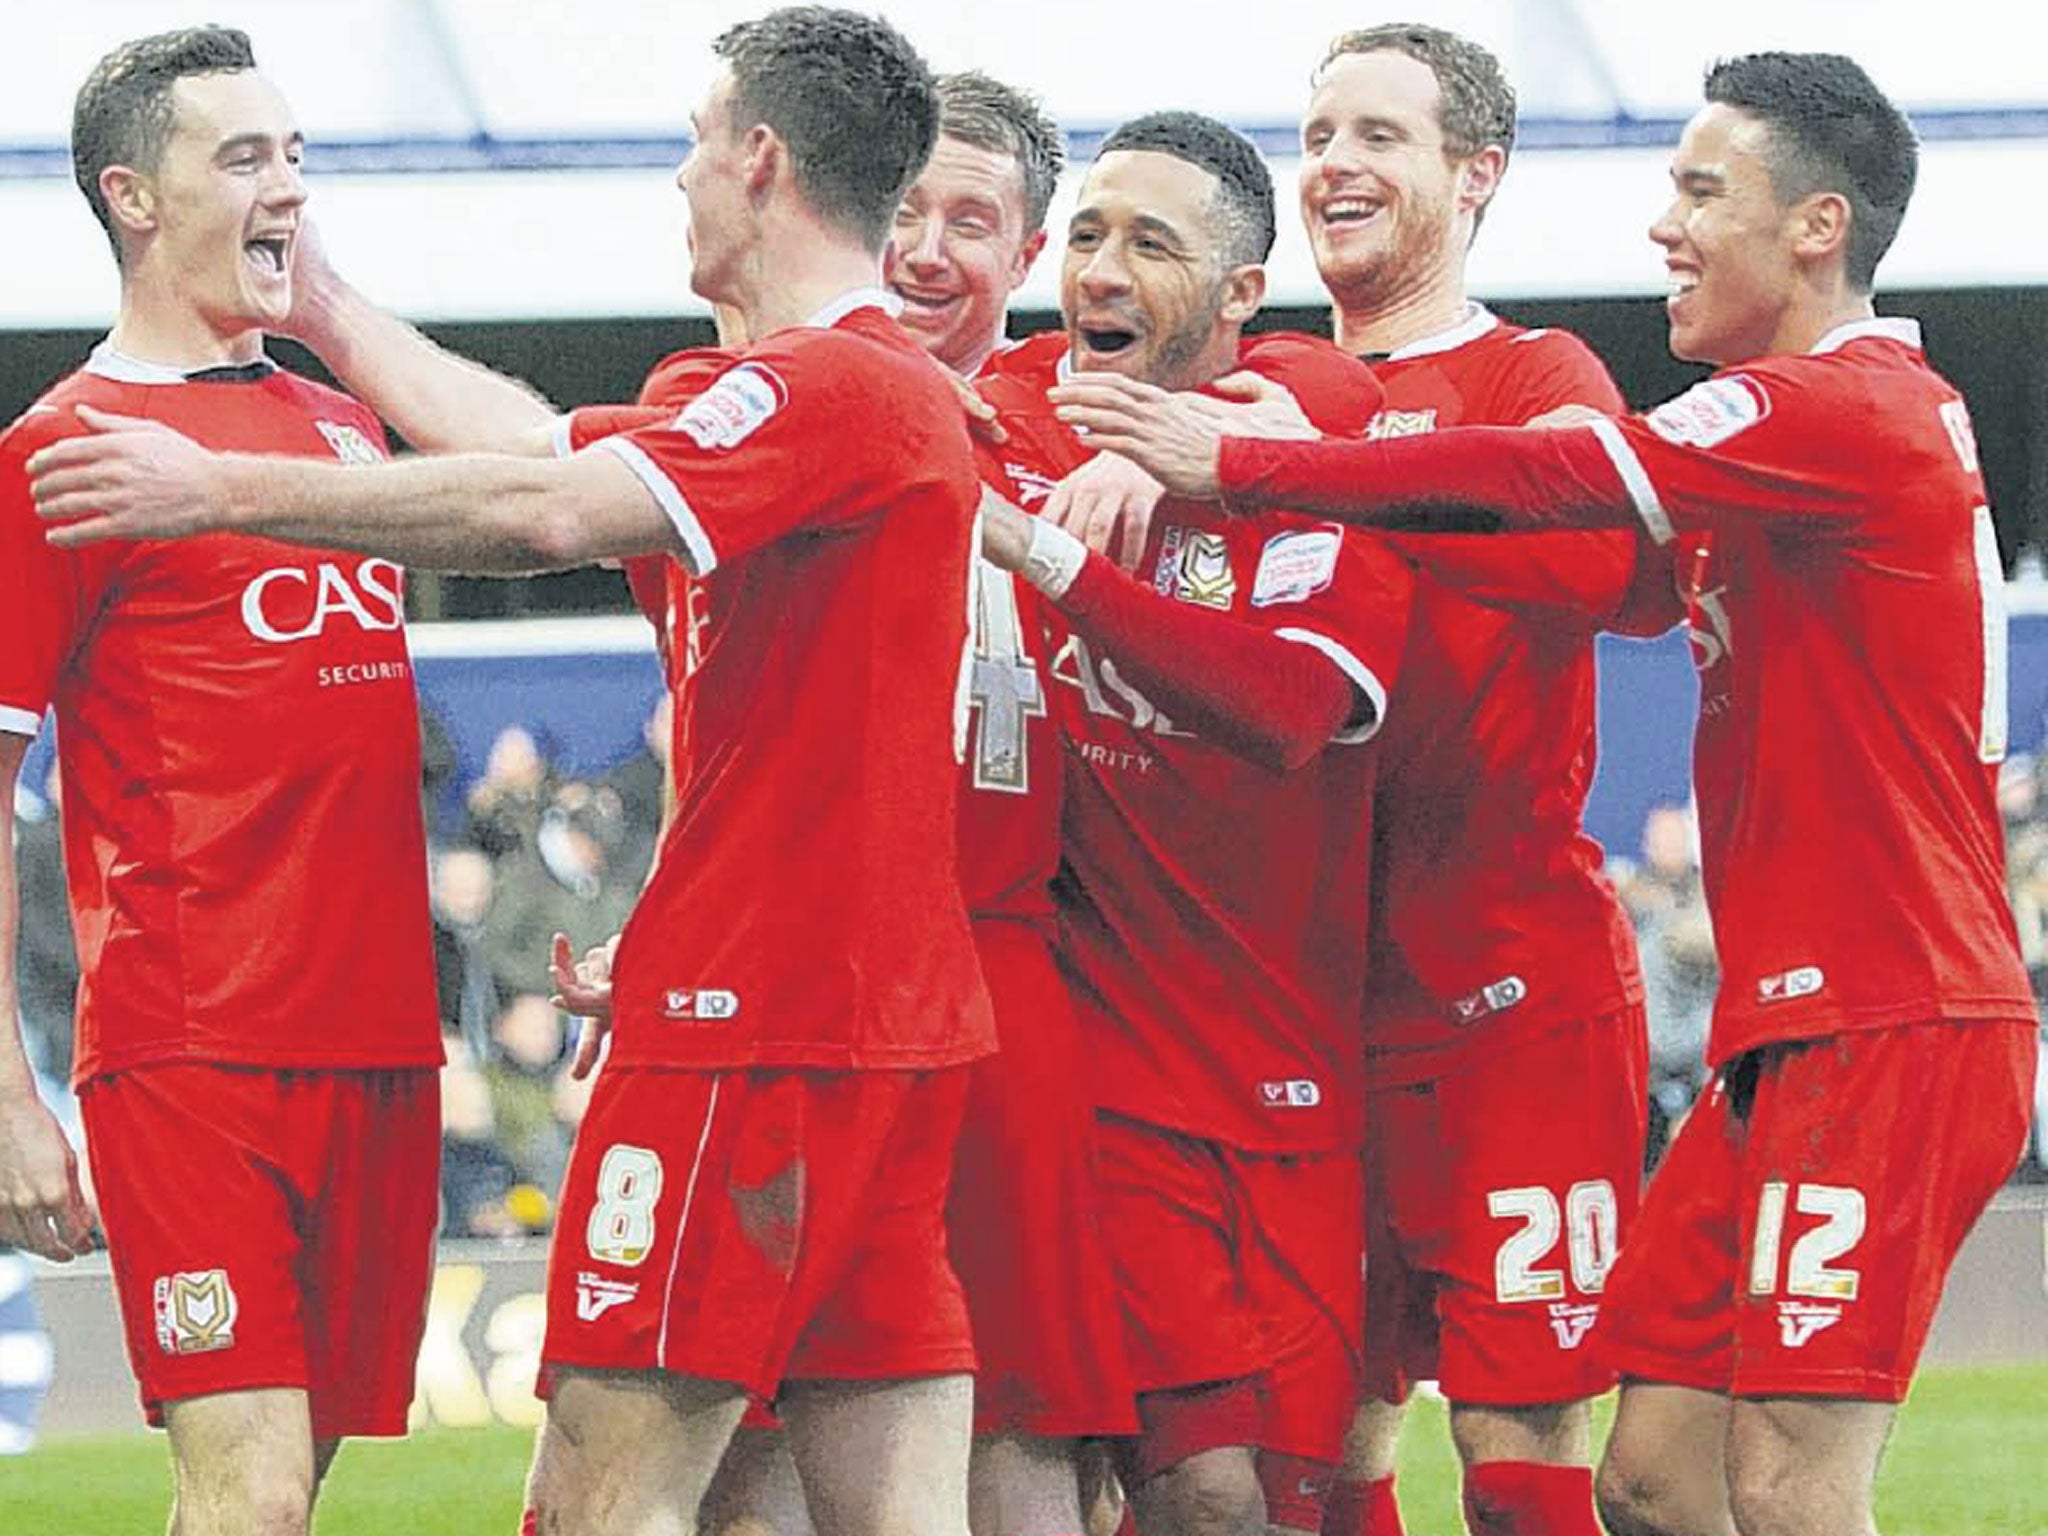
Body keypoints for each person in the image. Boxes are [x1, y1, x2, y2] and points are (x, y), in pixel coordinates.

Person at [32, 10, 996, 1536]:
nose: (676, 173)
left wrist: (217, 486)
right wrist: (333, 309)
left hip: (745, 1021)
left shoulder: (826, 391)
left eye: (692, 138)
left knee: (609, 1498)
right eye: (251, 157)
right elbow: (550, 448)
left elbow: (545, 507)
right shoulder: (785, 410)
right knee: (842, 1497)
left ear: (758, 159)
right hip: (230, 1038)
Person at [1050, 50, 2037, 1536]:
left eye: (1703, 192)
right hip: (1321, 1017)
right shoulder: (1289, 390)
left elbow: (1578, 507)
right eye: (1315, 132)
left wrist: (1257, 464)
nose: (1666, 227)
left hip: (1707, 1008)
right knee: (1614, 1483)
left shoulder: (1797, 407)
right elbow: (1597, 557)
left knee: (1722, 1482)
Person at [0, 27, 443, 1536]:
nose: (289, 191)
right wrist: (5, 1091)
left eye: (299, 157)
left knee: (287, 1493)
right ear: (133, 196)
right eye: (246, 158)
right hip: (195, 1050)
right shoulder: (59, 452)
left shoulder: (342, 428)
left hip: (384, 1043)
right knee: (247, 1492)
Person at [973, 111, 1414, 1536]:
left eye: (1150, 244)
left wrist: (1097, 519)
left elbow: (1287, 706)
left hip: (1297, 1072)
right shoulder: (1002, 414)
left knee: (1303, 1498)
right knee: (1203, 1495)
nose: (1100, 268)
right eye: (1088, 234)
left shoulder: (1308, 443)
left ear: (1238, 298)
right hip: (1110, 1073)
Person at [1288, 27, 1656, 1536]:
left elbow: (1627, 565)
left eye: (1380, 134)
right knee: (1300, 1472)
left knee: (1518, 1479)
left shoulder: (1532, 373)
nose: (1334, 164)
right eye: (1317, 134)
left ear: (1476, 174)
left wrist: (1309, 459)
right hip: (1291, 1001)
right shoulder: (1255, 382)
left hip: (1509, 1001)